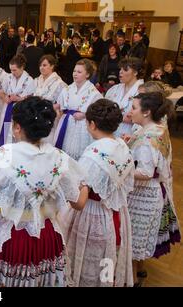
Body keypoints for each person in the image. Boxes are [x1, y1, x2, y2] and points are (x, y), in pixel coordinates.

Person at [0, 96, 89, 287]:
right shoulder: (59, 157)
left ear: (17, 127)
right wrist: (86, 184)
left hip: (10, 238)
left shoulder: (2, 156)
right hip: (48, 237)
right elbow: (79, 203)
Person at [64, 99, 135, 287]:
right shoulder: (121, 145)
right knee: (107, 260)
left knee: (88, 260)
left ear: (92, 124)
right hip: (116, 214)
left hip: (92, 215)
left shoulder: (93, 155)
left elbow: (80, 199)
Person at [126, 92, 180, 287]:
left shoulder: (148, 139)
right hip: (153, 192)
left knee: (131, 242)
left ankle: (131, 280)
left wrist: (122, 167)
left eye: (134, 108)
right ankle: (140, 271)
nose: (130, 112)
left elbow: (146, 172)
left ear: (147, 112)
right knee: (138, 239)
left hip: (143, 195)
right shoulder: (158, 128)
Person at [54, 59, 103, 160]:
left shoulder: (93, 92)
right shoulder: (67, 89)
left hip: (82, 126)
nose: (75, 74)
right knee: (63, 153)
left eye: (79, 72)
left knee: (78, 154)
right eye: (74, 71)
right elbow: (60, 107)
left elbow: (98, 112)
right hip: (66, 123)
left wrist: (85, 115)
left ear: (87, 75)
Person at [0, 54, 35, 147]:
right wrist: (4, 97)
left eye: (14, 70)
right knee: (6, 131)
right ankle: (5, 151)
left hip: (21, 110)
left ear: (22, 68)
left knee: (19, 132)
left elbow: (32, 99)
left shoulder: (29, 80)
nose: (12, 72)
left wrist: (19, 99)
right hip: (8, 108)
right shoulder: (8, 77)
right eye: (11, 70)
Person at [32, 55, 67, 144]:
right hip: (35, 116)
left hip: (50, 117)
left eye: (44, 65)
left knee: (47, 143)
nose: (41, 68)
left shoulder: (60, 84)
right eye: (40, 65)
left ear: (52, 66)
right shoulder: (36, 80)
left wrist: (51, 107)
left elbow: (62, 104)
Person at [105, 57, 144, 137]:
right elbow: (104, 108)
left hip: (129, 133)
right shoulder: (115, 88)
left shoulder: (142, 91)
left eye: (125, 70)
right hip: (112, 129)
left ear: (135, 72)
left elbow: (143, 116)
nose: (120, 72)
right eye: (120, 69)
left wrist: (115, 115)